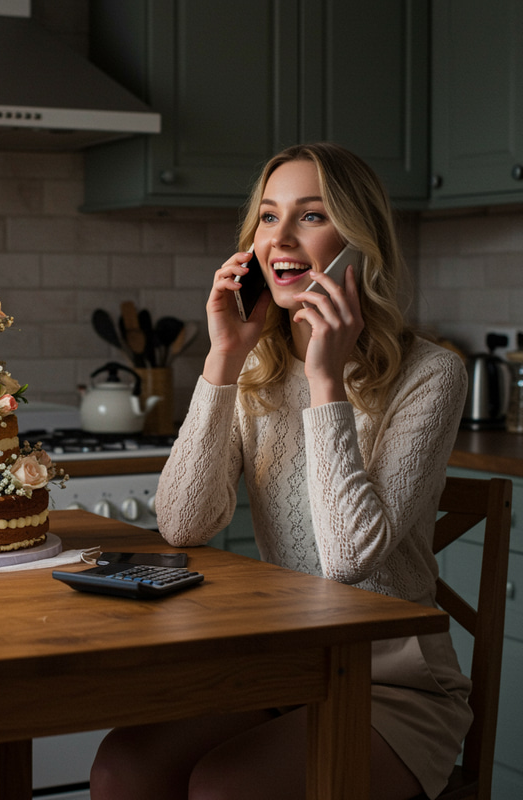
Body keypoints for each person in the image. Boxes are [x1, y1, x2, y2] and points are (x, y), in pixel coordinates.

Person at [89, 142, 471, 800]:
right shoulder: (258, 369)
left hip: (393, 685)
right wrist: (222, 361)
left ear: (360, 240)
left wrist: (327, 382)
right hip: (281, 666)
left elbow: (348, 558)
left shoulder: (432, 375)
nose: (282, 238)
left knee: (225, 788)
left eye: (312, 216)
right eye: (268, 217)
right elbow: (183, 524)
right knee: (123, 767)